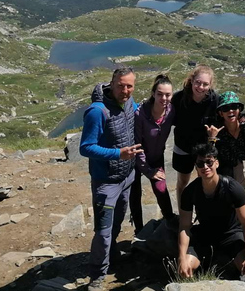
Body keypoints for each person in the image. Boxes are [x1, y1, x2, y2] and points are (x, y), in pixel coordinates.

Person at [79, 67, 143, 291]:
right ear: (112, 84)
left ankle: (113, 255)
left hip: (127, 176)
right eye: (121, 85)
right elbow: (86, 148)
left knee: (117, 222)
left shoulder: (129, 101)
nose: (125, 90)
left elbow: (135, 113)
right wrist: (118, 154)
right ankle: (97, 275)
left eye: (129, 86)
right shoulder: (97, 111)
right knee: (103, 232)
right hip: (106, 181)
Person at [177, 144, 245, 280]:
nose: (205, 167)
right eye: (200, 163)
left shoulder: (232, 188)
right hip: (204, 234)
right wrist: (181, 258)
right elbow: (184, 227)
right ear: (196, 166)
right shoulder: (190, 191)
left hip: (231, 234)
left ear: (216, 163)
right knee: (186, 268)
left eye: (209, 162)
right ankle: (205, 261)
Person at [130, 74, 177, 233]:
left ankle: (170, 220)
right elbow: (137, 144)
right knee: (134, 195)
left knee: (161, 189)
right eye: (160, 94)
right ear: (153, 93)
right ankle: (139, 229)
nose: (164, 98)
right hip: (136, 162)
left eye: (168, 94)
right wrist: (148, 171)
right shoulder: (141, 114)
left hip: (156, 158)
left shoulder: (171, 112)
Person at [171, 65, 218, 209]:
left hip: (203, 148)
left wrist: (213, 137)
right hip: (183, 146)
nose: (201, 87)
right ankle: (183, 212)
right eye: (198, 82)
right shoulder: (179, 97)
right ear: (192, 81)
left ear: (210, 85)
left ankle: (202, 212)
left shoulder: (214, 99)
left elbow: (218, 124)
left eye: (205, 84)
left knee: (204, 180)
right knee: (182, 182)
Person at [206, 91, 245, 188]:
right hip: (221, 173)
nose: (230, 111)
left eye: (234, 107)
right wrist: (212, 138)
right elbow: (208, 156)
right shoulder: (216, 130)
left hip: (239, 168)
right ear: (221, 113)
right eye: (225, 108)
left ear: (239, 109)